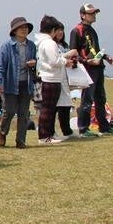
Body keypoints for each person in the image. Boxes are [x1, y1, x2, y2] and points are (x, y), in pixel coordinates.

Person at [69, 3, 113, 136]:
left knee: (101, 99)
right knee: (87, 99)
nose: (93, 15)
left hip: (98, 68)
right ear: (82, 15)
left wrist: (106, 57)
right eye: (90, 13)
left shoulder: (91, 30)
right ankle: (83, 128)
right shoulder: (76, 30)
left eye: (94, 13)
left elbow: (95, 50)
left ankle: (104, 126)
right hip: (87, 69)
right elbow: (73, 53)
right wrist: (87, 61)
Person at [0, 17, 38, 149]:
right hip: (11, 83)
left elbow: (36, 64)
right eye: (21, 28)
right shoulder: (7, 46)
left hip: (26, 82)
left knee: (24, 113)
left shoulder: (31, 46)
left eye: (26, 27)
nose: (24, 30)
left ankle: (21, 140)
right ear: (14, 30)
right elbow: (0, 65)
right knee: (10, 111)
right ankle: (2, 132)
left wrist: (33, 63)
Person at [35, 16, 79, 144]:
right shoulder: (49, 43)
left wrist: (64, 58)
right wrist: (66, 61)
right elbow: (55, 61)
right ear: (53, 30)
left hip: (51, 77)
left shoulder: (44, 42)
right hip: (51, 78)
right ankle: (45, 135)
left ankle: (49, 134)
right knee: (48, 109)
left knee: (49, 109)